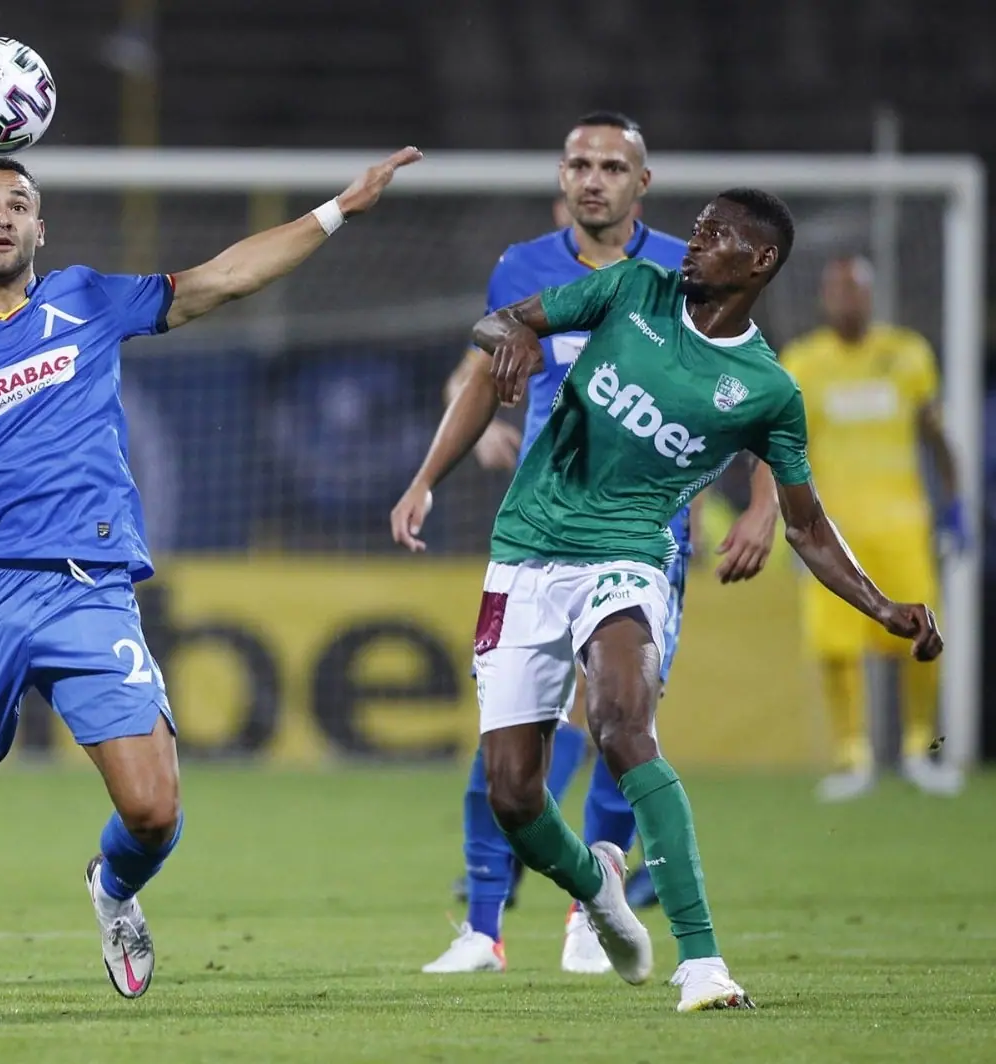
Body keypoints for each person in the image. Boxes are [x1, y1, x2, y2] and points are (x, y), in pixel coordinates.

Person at [0, 147, 421, 1003]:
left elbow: (223, 279)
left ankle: (113, 890)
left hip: (89, 588)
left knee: (155, 811)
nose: (2, 216)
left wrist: (338, 209)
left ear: (40, 228)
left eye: (18, 204)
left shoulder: (86, 299)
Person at [391, 188, 942, 1012]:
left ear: (759, 262)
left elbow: (806, 524)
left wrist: (883, 605)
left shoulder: (766, 389)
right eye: (697, 228)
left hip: (630, 557)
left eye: (716, 234)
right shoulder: (632, 288)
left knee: (621, 725)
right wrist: (510, 337)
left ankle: (703, 963)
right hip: (526, 553)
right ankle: (596, 887)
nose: (694, 241)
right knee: (512, 793)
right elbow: (499, 321)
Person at [420, 112, 780, 978]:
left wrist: (763, 505)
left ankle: (600, 913)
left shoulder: (685, 270)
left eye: (612, 166)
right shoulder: (521, 267)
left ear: (640, 183)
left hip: (643, 538)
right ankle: (484, 928)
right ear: (561, 176)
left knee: (620, 725)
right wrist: (428, 472)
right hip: (539, 531)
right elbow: (487, 360)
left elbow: (756, 393)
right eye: (579, 164)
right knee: (508, 751)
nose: (593, 180)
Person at [780, 256, 966, 801]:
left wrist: (955, 505)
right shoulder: (802, 362)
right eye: (838, 290)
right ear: (824, 298)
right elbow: (783, 448)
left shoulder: (908, 355)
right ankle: (851, 757)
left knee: (921, 632)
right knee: (836, 645)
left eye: (856, 290)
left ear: (872, 296)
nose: (848, 299)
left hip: (903, 525)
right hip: (832, 532)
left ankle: (918, 750)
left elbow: (936, 435)